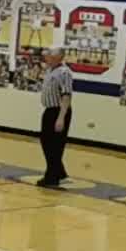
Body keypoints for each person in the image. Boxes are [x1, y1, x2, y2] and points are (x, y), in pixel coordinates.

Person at [36, 48, 73, 188]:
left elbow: (66, 95)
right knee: (46, 141)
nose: (48, 58)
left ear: (58, 58)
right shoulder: (51, 70)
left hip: (58, 111)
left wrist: (61, 117)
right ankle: (58, 172)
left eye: (51, 56)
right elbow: (43, 54)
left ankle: (52, 177)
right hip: (49, 110)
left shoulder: (64, 73)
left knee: (55, 145)